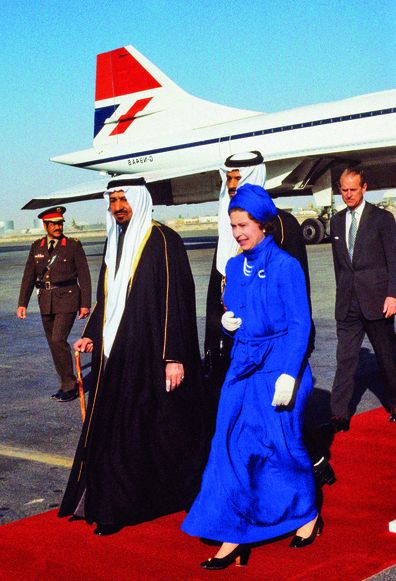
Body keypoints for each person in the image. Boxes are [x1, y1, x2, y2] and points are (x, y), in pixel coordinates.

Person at [182, 184, 320, 569]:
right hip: (244, 366)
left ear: (263, 225)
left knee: (282, 446)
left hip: (280, 366)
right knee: (230, 447)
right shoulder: (234, 268)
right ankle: (233, 534)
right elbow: (237, 317)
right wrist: (227, 325)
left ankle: (306, 515)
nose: (238, 232)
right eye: (233, 226)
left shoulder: (285, 266)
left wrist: (290, 375)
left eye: (244, 225)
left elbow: (300, 325)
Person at [58, 175, 204, 535]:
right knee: (115, 428)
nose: (118, 207)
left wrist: (173, 356)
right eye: (114, 200)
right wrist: (92, 334)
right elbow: (108, 294)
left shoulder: (163, 240)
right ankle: (110, 505)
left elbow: (176, 299)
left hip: (151, 354)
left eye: (124, 199)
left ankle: (150, 499)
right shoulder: (115, 240)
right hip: (116, 351)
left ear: (139, 200)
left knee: (154, 429)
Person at [204, 151, 333, 487]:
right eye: (228, 178)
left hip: (279, 340)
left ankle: (314, 463)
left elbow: (295, 286)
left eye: (238, 177)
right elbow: (221, 281)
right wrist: (216, 327)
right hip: (240, 340)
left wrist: (297, 347)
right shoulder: (228, 221)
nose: (232, 184)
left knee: (285, 417)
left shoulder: (282, 224)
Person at [330, 168, 396, 431]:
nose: (348, 194)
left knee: (388, 357)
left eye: (353, 189)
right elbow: (339, 266)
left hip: (378, 300)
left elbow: (394, 259)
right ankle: (338, 413)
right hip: (348, 302)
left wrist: (393, 294)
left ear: (364, 188)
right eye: (344, 190)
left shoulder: (382, 219)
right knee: (345, 359)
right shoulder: (336, 222)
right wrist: (342, 295)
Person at [17, 206, 91, 402]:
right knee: (53, 343)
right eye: (54, 224)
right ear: (45, 225)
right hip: (45, 300)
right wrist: (22, 303)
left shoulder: (73, 245)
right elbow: (28, 276)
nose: (58, 227)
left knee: (58, 339)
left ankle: (70, 384)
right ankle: (64, 383)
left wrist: (85, 304)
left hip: (68, 298)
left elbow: (84, 275)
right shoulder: (37, 246)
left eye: (60, 223)